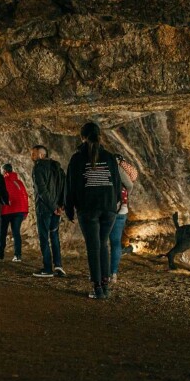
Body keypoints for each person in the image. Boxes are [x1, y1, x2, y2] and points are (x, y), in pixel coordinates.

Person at [65, 122, 122, 300]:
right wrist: (115, 203)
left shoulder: (77, 158)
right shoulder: (110, 157)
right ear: (100, 136)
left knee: (93, 246)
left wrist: (69, 208)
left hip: (88, 208)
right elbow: (117, 184)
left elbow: (71, 185)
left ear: (82, 137)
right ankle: (104, 285)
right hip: (109, 207)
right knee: (103, 244)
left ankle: (97, 287)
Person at [30, 145, 66, 278]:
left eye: (33, 153)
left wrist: (53, 207)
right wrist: (60, 206)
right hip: (56, 209)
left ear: (40, 155)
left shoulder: (38, 167)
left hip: (45, 209)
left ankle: (47, 268)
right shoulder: (57, 168)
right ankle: (58, 266)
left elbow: (42, 190)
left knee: (44, 238)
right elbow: (64, 187)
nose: (31, 156)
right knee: (55, 236)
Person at [109, 154, 136, 283]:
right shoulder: (119, 167)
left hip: (105, 208)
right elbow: (129, 185)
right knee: (115, 243)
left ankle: (99, 273)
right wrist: (124, 197)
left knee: (101, 242)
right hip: (120, 209)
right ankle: (113, 273)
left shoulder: (103, 166)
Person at [0, 163, 29, 262]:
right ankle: (17, 256)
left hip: (6, 210)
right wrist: (25, 211)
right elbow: (25, 196)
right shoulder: (19, 182)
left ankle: (0, 254)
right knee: (16, 233)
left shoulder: (2, 181)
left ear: (4, 171)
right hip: (19, 210)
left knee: (2, 232)